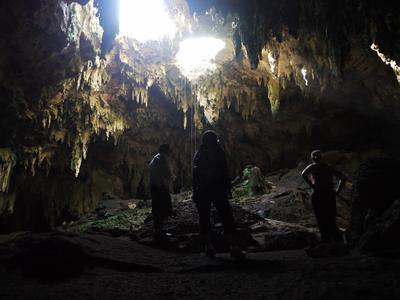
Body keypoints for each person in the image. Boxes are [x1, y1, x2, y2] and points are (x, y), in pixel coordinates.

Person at [193, 130, 246, 258]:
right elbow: (224, 170)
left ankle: (208, 248)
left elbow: (195, 175)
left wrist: (195, 191)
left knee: (204, 219)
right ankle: (234, 247)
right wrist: (227, 187)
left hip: (202, 191)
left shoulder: (198, 154)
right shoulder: (218, 152)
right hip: (217, 189)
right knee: (226, 217)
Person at [302, 150, 347, 243]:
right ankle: (337, 241)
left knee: (321, 219)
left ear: (312, 158)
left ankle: (327, 240)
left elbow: (303, 174)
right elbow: (343, 178)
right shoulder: (328, 167)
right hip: (328, 194)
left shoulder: (312, 167)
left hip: (318, 194)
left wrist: (312, 185)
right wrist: (337, 191)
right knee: (330, 218)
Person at [149, 144, 174, 240]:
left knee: (159, 208)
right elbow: (166, 173)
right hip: (159, 188)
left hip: (157, 187)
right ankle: (159, 231)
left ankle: (159, 229)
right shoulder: (160, 159)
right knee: (161, 208)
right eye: (168, 150)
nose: (170, 151)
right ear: (165, 150)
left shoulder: (157, 158)